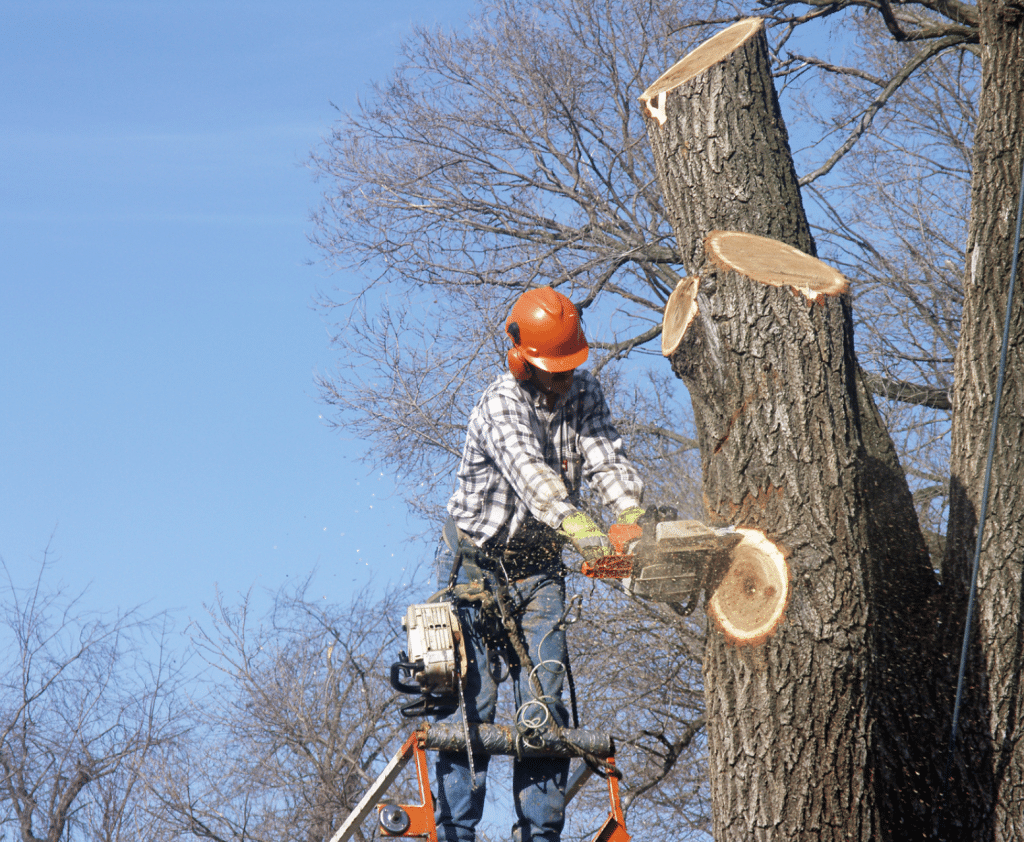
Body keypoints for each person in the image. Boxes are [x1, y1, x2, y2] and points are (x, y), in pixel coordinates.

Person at [434, 286, 644, 842]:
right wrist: (591, 540)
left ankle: (541, 835)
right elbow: (537, 484)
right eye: (556, 372)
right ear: (522, 362)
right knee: (468, 708)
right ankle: (455, 833)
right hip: (475, 572)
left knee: (545, 707)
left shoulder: (585, 393)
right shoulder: (501, 404)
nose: (566, 381)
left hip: (539, 570)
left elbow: (605, 456)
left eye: (572, 368)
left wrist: (631, 518)